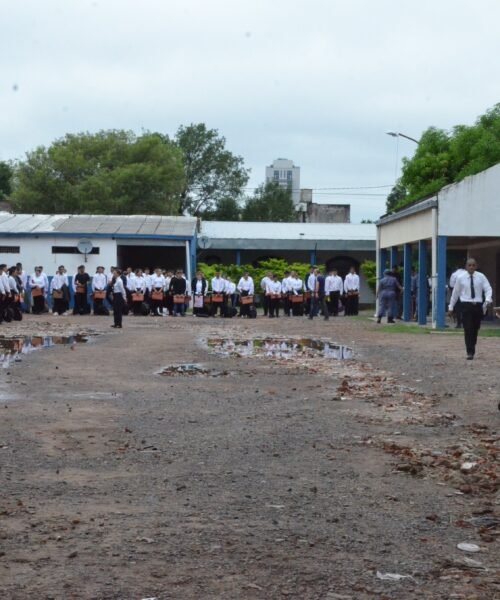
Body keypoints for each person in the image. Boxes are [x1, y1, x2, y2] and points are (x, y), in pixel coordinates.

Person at [448, 258, 492, 360]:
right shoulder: (461, 278)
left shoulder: (481, 277)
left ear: (476, 266)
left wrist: (488, 299)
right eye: (469, 265)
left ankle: (472, 344)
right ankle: (470, 351)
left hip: (477, 306)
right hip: (466, 305)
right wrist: (451, 307)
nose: (471, 267)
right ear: (466, 266)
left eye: (473, 265)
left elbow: (488, 288)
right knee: (468, 328)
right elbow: (455, 293)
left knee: (475, 328)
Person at [449, 263, 467, 328]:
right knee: (466, 309)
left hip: (457, 294)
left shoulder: (454, 274)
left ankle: (459, 323)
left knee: (458, 309)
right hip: (466, 295)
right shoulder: (467, 273)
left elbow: (451, 285)